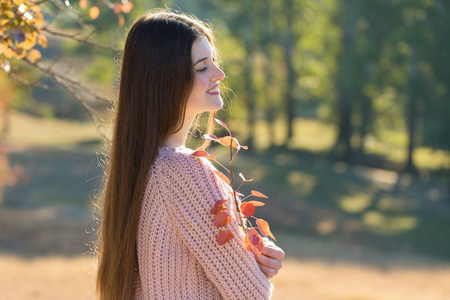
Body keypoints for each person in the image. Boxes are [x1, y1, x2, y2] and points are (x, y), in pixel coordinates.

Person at [95, 9, 285, 300]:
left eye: (214, 61)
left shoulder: (140, 168)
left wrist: (252, 261)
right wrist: (257, 274)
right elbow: (252, 295)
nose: (219, 75)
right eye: (201, 67)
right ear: (166, 80)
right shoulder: (183, 172)